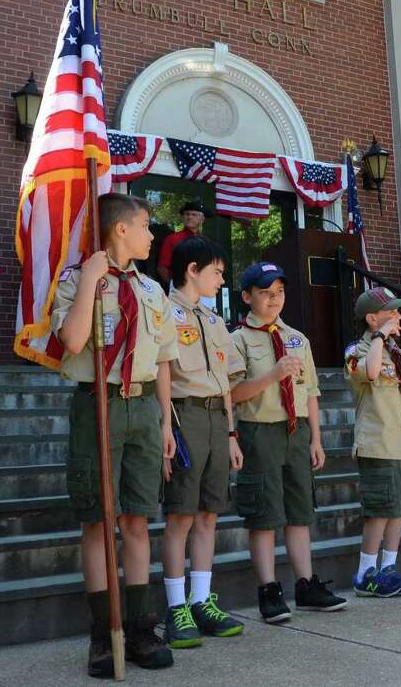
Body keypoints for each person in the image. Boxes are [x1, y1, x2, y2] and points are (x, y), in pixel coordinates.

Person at [50, 193, 177, 677]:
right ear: (120, 229)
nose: (151, 235)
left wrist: (165, 421)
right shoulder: (77, 279)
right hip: (97, 404)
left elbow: (162, 361)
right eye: (145, 225)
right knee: (99, 521)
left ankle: (141, 627)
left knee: (138, 519)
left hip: (141, 407)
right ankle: (105, 632)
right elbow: (73, 341)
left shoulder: (152, 290)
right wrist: (89, 279)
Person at [229, 262, 345, 622]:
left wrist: (316, 439)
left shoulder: (297, 338)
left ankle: (306, 584)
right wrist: (272, 374)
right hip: (259, 431)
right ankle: (268, 589)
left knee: (299, 511)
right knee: (264, 514)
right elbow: (232, 394)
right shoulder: (238, 340)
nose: (274, 299)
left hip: (297, 431)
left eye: (279, 292)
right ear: (247, 296)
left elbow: (311, 391)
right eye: (265, 293)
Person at [160, 236, 246, 649]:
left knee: (209, 513)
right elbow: (160, 372)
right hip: (185, 414)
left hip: (215, 418)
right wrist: (165, 426)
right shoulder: (164, 310)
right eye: (216, 271)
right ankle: (175, 606)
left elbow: (227, 381)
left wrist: (231, 434)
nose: (221, 279)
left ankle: (200, 600)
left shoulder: (213, 320)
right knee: (181, 515)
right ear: (192, 270)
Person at [345, 287, 401, 598]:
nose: (398, 317)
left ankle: (388, 568)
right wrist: (379, 336)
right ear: (371, 318)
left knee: (397, 510)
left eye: (398, 312)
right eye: (391, 312)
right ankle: (365, 573)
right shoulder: (357, 351)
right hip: (378, 444)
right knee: (379, 511)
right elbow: (371, 372)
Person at [157, 202, 208, 285]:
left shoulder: (206, 242)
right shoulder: (172, 239)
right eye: (187, 214)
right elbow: (162, 268)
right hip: (180, 287)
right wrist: (175, 286)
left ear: (202, 219)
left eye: (194, 215)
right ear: (183, 217)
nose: (190, 217)